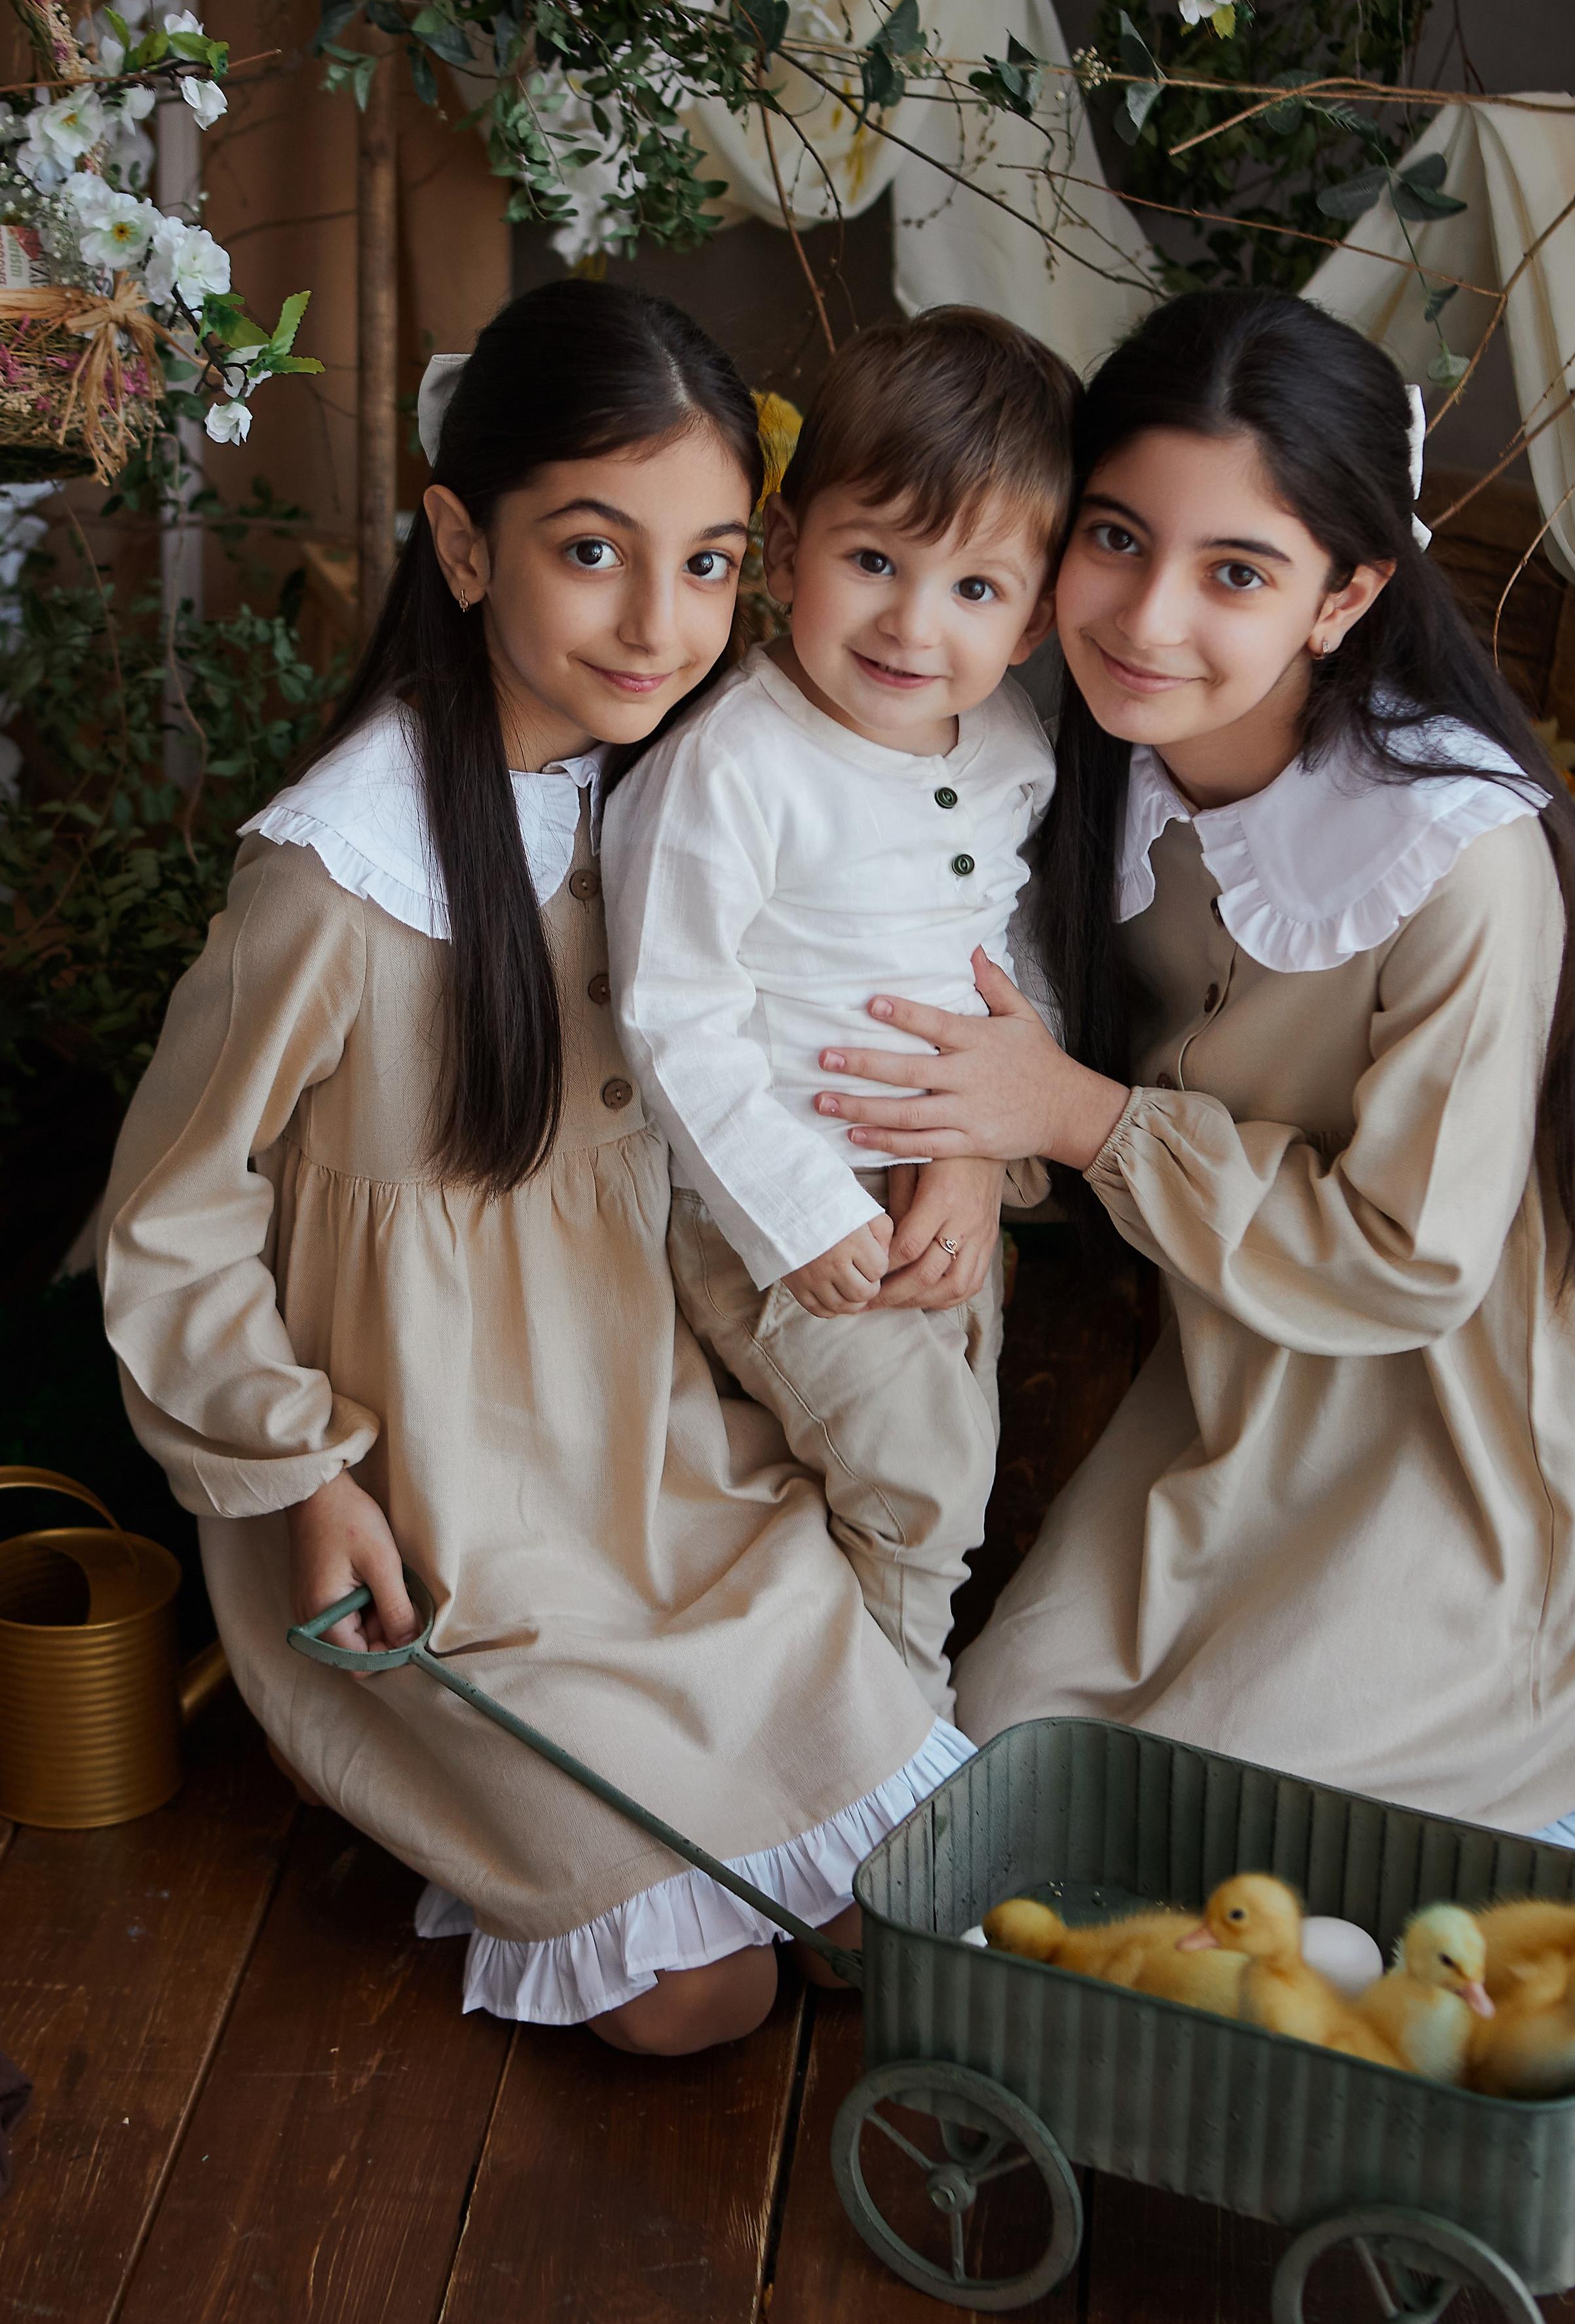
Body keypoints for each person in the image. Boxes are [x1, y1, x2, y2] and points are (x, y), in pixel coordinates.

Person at [97, 280, 968, 2057]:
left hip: (653, 1469)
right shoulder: (342, 873)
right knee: (696, 2000)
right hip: (429, 1520)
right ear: (464, 546)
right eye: (595, 550)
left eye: (714, 563)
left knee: (906, 1908)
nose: (662, 622)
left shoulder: (680, 802)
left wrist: (954, 1146)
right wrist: (295, 1472)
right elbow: (168, 1214)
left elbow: (890, 979)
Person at [808, 286, 1575, 1852]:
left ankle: (1551, 1778)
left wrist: (1073, 1119)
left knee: (1152, 1856)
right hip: (1235, 1383)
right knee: (969, 1808)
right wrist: (970, 1140)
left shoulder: (1451, 861)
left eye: (1237, 573)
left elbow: (1410, 1264)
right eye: (1118, 538)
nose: (1147, 622)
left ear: (1341, 598)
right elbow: (980, 1004)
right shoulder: (1058, 750)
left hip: (1468, 1431)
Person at [603, 310, 1072, 1715]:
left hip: (945, 1189)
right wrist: (805, 1214)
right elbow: (670, 1016)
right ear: (789, 544)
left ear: (1036, 617)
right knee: (918, 1481)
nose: (911, 625)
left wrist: (979, 1153)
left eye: (975, 590)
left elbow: (1011, 961)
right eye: (873, 560)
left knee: (947, 1456)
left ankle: (830, 1706)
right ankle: (888, 1759)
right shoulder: (734, 765)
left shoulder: (1007, 744)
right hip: (776, 1202)